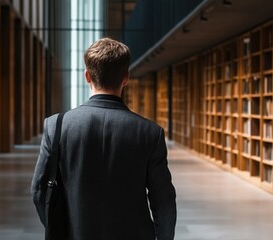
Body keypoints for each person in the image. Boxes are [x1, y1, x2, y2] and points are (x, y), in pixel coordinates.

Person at [31, 38, 177, 240]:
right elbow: (164, 202)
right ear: (125, 78)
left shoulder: (57, 126)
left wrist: (60, 228)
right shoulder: (150, 133)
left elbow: (38, 191)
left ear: (87, 76)